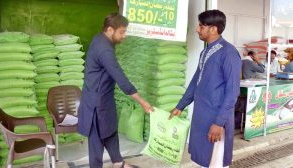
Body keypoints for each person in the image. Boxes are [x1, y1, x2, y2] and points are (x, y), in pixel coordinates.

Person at [77, 13, 153, 168]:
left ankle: (118, 162)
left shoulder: (100, 38)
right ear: (110, 30)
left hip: (104, 97)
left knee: (110, 132)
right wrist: (142, 102)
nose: (124, 36)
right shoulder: (104, 50)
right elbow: (120, 78)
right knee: (97, 141)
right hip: (96, 103)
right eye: (122, 32)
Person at [169, 10, 241, 168]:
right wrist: (180, 106)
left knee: (216, 162)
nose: (197, 29)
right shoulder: (206, 51)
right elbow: (196, 82)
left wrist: (218, 122)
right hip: (202, 115)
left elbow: (233, 92)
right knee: (203, 160)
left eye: (201, 26)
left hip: (216, 118)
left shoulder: (228, 53)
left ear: (213, 29)